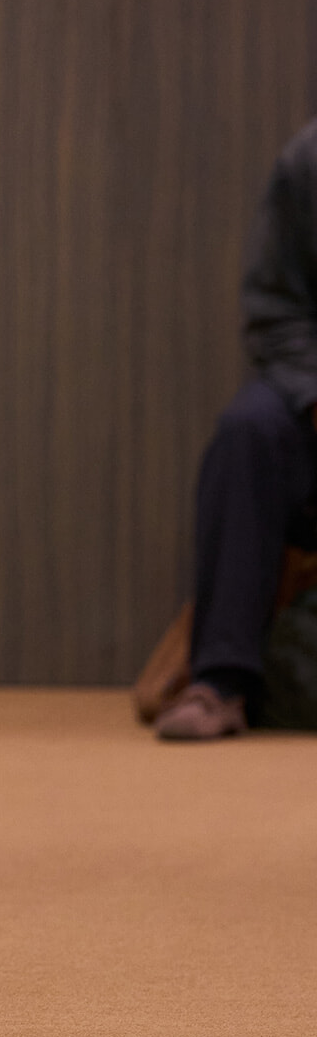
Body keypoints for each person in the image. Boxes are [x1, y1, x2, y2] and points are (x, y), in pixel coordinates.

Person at [156, 117, 317, 740]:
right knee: (248, 432)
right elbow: (276, 313)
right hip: (313, 403)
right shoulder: (307, 160)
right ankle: (222, 683)